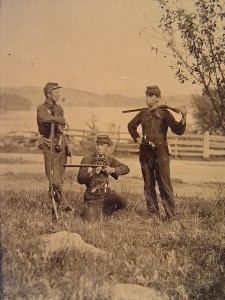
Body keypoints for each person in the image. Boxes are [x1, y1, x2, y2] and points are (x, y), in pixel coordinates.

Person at [127, 85, 187, 221]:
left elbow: (178, 130)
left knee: (165, 185)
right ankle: (153, 215)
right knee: (148, 185)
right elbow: (131, 126)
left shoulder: (165, 113)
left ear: (158, 98)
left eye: (151, 96)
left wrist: (183, 117)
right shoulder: (142, 113)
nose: (147, 98)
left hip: (161, 154)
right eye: (146, 95)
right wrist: (137, 138)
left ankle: (172, 217)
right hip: (145, 153)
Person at [37, 82, 72, 217]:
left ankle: (55, 209)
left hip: (60, 146)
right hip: (49, 146)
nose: (59, 95)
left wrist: (65, 141)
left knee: (60, 179)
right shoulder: (41, 109)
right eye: (56, 93)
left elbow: (61, 127)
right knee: (54, 180)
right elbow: (45, 119)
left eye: (59, 93)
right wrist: (61, 119)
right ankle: (65, 205)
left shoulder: (59, 108)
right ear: (48, 94)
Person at [77, 134, 130, 223]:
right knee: (90, 220)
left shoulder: (110, 160)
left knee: (122, 202)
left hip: (106, 193)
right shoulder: (87, 159)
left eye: (102, 145)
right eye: (98, 145)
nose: (99, 147)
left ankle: (102, 211)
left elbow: (126, 168)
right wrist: (92, 173)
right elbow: (80, 179)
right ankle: (96, 210)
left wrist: (112, 170)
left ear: (107, 147)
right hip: (93, 195)